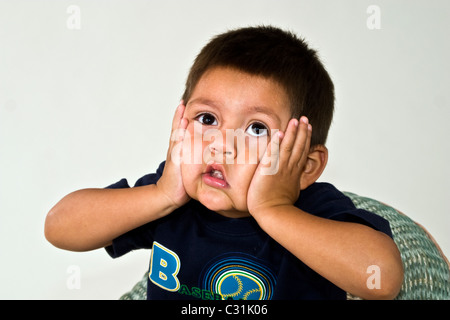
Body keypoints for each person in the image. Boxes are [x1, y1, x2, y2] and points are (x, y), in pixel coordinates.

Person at [44, 25, 403, 300]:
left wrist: (274, 209)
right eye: (207, 119)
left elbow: (382, 279)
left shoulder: (314, 209)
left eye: (256, 128)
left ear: (306, 166)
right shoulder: (176, 194)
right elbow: (59, 227)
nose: (221, 145)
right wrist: (161, 195)